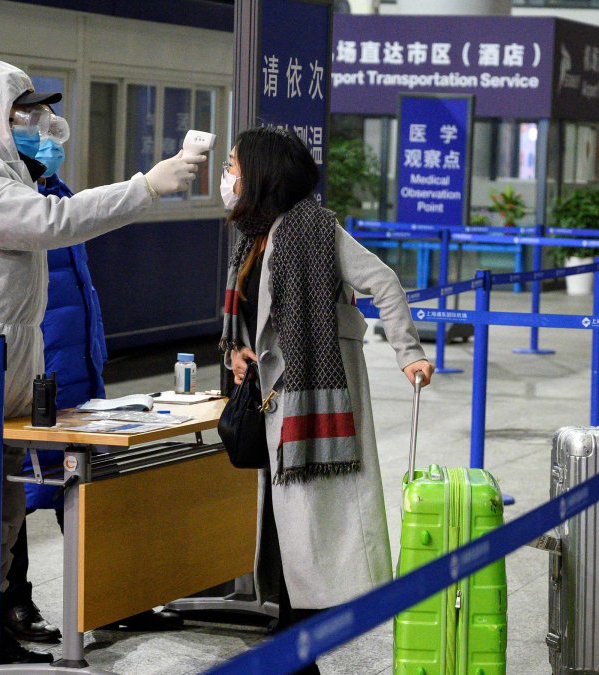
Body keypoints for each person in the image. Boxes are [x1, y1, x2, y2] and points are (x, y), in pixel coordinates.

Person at [0, 60, 204, 675]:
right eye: (25, 113)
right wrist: (146, 186)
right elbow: (57, 224)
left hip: (9, 354)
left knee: (2, 505)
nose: (41, 124)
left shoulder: (12, 177)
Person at [220, 126, 434, 674]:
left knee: (314, 526)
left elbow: (385, 283)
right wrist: (237, 353)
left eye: (234, 165)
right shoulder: (253, 235)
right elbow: (250, 320)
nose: (228, 175)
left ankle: (297, 640)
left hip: (316, 401)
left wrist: (407, 353)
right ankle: (292, 634)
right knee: (288, 529)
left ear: (262, 172)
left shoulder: (315, 231)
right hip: (272, 403)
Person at [1, 122, 184, 643]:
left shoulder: (57, 195)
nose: (49, 141)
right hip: (37, 375)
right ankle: (14, 605)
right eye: (33, 130)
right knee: (20, 493)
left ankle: (108, 597)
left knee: (84, 489)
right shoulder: (14, 202)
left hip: (78, 372)